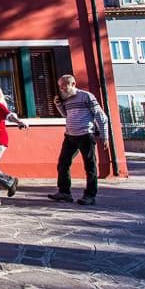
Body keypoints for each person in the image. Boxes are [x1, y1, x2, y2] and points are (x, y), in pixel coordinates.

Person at [48, 74, 109, 206]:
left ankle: (90, 195)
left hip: (85, 135)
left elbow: (101, 116)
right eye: (60, 86)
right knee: (63, 163)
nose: (62, 89)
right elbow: (66, 115)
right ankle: (64, 192)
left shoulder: (86, 96)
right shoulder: (66, 100)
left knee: (90, 165)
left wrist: (104, 136)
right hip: (70, 136)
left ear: (73, 84)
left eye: (64, 86)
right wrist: (58, 105)